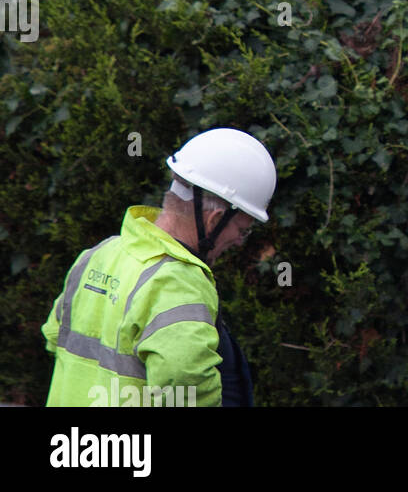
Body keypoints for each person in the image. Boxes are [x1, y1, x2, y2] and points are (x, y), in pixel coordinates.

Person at [42, 127, 276, 407]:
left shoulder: (97, 255)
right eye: (242, 230)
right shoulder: (178, 282)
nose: (239, 242)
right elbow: (185, 386)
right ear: (215, 219)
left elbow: (54, 337)